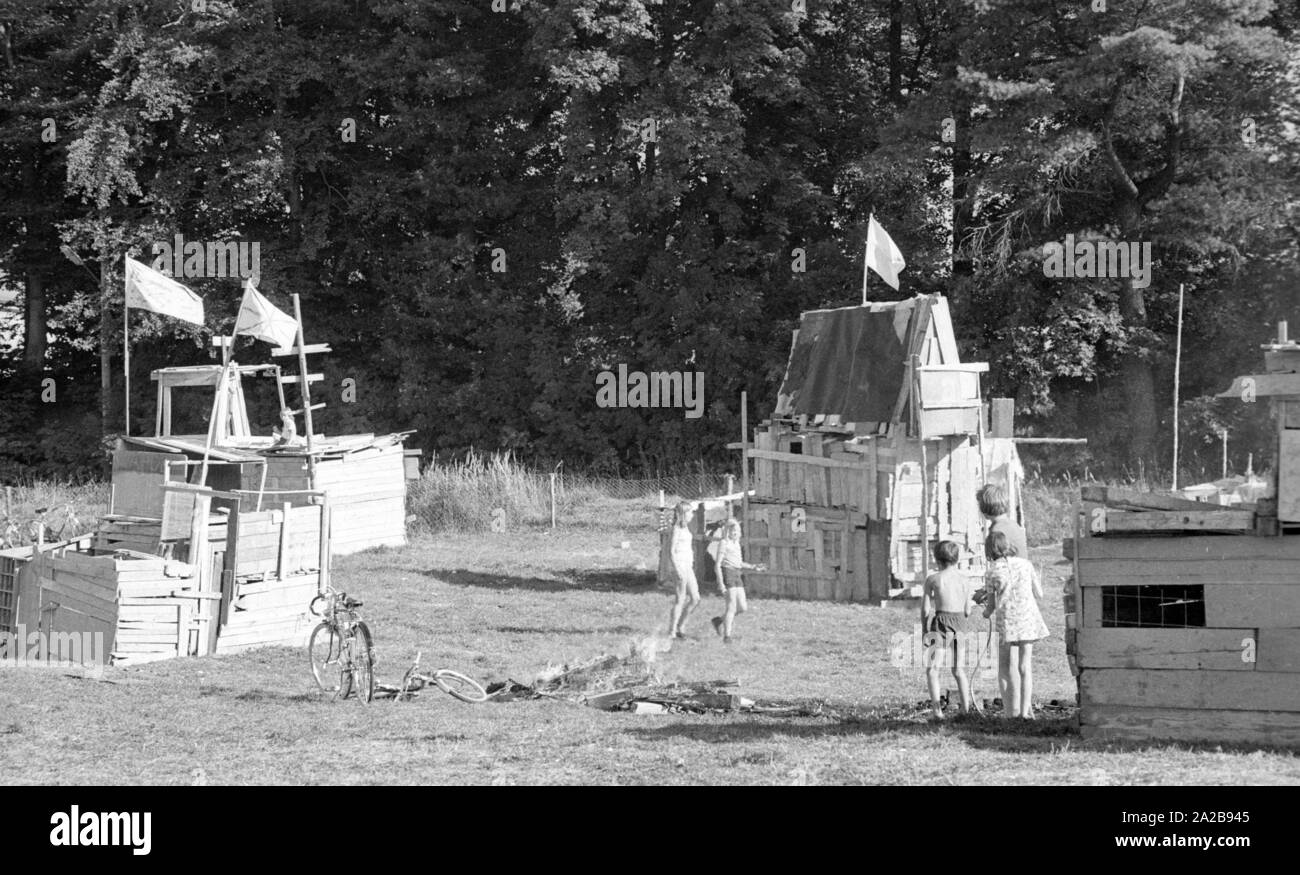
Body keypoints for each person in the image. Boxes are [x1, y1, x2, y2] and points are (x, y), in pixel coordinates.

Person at [984, 530, 1049, 719]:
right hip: (1028, 620)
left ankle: (1009, 712)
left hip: (1007, 623)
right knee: (1024, 666)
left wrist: (985, 612)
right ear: (1007, 545)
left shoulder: (992, 571)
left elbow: (991, 605)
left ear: (990, 550)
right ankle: (1025, 711)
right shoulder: (1025, 564)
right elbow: (1040, 594)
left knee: (1004, 666)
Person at [921, 540, 972, 719]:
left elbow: (926, 609)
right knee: (958, 670)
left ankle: (937, 712)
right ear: (957, 559)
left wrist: (924, 629)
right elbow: (967, 610)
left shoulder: (933, 579)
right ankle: (966, 710)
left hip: (940, 622)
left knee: (933, 669)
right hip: (959, 623)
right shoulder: (965, 580)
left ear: (937, 559)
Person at [709, 518, 765, 643]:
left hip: (737, 574)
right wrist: (721, 584)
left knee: (743, 607)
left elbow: (739, 563)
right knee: (731, 607)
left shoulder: (737, 543)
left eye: (736, 531)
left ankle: (718, 621)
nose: (734, 533)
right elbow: (717, 565)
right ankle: (727, 636)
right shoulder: (724, 543)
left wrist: (753, 567)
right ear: (727, 531)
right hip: (728, 573)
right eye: (732, 530)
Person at [667, 501, 700, 639]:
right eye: (690, 512)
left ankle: (681, 625)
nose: (692, 514)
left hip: (688, 565)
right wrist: (677, 569)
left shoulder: (685, 528)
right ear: (683, 514)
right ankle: (672, 631)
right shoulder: (676, 529)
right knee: (680, 599)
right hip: (679, 565)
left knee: (696, 598)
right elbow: (671, 551)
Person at [976, 483, 1027, 560]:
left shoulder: (997, 531)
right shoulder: (1012, 524)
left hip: (1010, 569)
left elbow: (994, 560)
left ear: (985, 509)